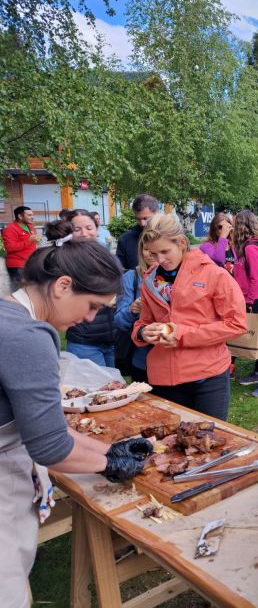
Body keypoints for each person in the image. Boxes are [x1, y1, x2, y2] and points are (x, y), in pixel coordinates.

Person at [1, 241, 148, 607]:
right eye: (92, 306)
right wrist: (112, 465)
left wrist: (108, 449)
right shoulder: (30, 337)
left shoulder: (7, 314)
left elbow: (47, 426)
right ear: (62, 286)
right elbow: (50, 447)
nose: (88, 318)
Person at [133, 213, 247, 419]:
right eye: (153, 253)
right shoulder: (150, 278)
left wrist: (182, 334)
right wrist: (142, 332)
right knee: (168, 445)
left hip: (207, 377)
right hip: (163, 378)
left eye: (165, 252)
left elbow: (236, 324)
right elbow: (144, 321)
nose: (160, 260)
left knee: (208, 444)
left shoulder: (214, 274)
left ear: (182, 243)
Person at [65, 210, 119, 367]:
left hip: (110, 339)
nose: (84, 233)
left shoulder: (109, 257)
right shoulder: (64, 260)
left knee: (113, 388)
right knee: (93, 388)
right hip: (84, 340)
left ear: (97, 228)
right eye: (77, 229)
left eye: (89, 227)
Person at [231, 211, 258, 398]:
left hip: (257, 300)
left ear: (241, 226)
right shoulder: (247, 247)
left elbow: (257, 278)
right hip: (251, 299)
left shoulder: (251, 248)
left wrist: (249, 301)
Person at [114, 240, 154, 382]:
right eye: (146, 249)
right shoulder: (132, 277)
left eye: (157, 249)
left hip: (173, 359)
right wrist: (132, 309)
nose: (151, 254)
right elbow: (119, 321)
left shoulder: (178, 276)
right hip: (141, 359)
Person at [116, 194, 159, 271]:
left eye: (146, 218)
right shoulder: (125, 240)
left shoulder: (169, 236)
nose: (142, 223)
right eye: (138, 219)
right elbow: (119, 270)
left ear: (157, 213)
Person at [2, 205, 38, 288]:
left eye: (32, 215)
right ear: (20, 216)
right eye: (29, 215)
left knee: (29, 291)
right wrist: (29, 240)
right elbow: (10, 248)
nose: (32, 217)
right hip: (17, 266)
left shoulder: (29, 226)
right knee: (19, 292)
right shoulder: (10, 229)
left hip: (29, 264)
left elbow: (30, 243)